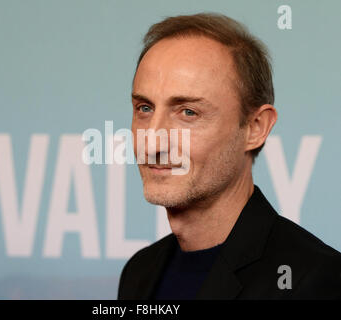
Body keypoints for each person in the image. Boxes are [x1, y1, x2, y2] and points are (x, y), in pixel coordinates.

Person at [117, 13, 341, 299]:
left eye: (188, 112)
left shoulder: (315, 280)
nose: (152, 141)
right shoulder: (140, 272)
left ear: (255, 128)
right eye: (145, 109)